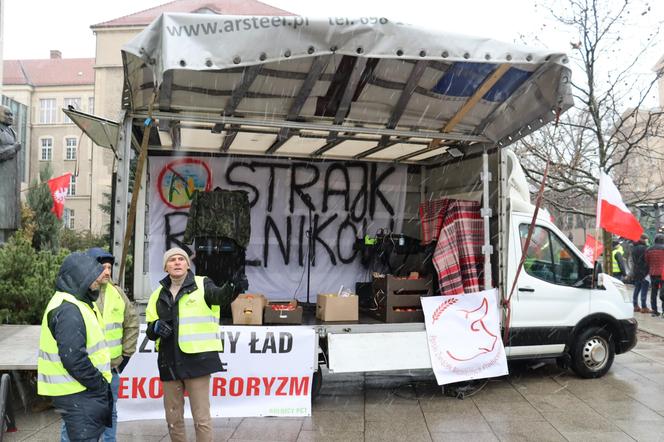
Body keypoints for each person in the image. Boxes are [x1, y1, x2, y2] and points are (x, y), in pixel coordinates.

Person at [145, 247, 235, 442]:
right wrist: (155, 327)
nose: (177, 262)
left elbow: (220, 296)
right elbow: (150, 331)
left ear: (187, 264)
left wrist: (232, 287)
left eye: (181, 259)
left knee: (201, 419)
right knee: (173, 419)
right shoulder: (157, 295)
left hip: (197, 361)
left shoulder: (203, 284)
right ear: (165, 267)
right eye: (172, 260)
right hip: (169, 361)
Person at [59, 248, 139, 442]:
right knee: (73, 417)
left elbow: (132, 323)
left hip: (110, 370)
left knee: (109, 415)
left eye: (109, 267)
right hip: (82, 370)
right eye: (102, 267)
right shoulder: (76, 295)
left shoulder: (117, 293)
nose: (107, 272)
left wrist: (124, 358)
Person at [37, 252, 113, 442]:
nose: (97, 279)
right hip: (79, 391)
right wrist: (99, 384)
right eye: (91, 275)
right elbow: (73, 358)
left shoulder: (76, 301)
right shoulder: (69, 308)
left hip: (79, 390)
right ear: (78, 277)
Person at [645, 234, 664, 317]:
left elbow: (647, 261)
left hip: (653, 273)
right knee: (663, 293)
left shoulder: (648, 249)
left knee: (653, 292)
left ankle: (654, 311)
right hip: (663, 274)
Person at [631, 234, 650, 313]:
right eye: (646, 239)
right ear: (644, 239)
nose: (647, 241)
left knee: (637, 288)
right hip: (644, 271)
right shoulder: (645, 249)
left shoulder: (634, 248)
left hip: (636, 271)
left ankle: (635, 305)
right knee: (644, 289)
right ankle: (644, 307)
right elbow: (647, 261)